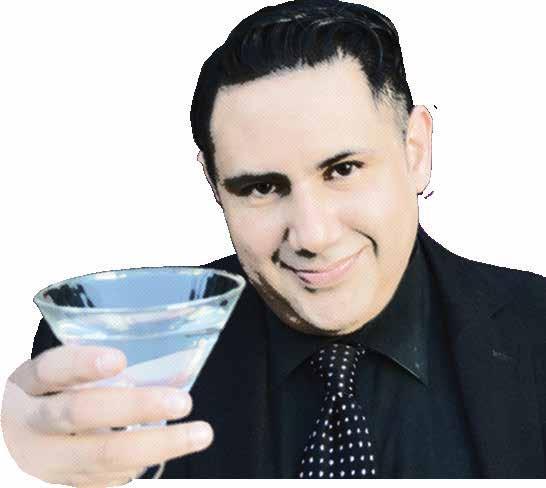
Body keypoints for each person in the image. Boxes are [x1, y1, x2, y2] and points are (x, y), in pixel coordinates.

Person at [2, 0, 545, 482]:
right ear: (215, 186)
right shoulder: (106, 354)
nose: (312, 235)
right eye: (262, 187)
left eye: (343, 170)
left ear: (416, 151)